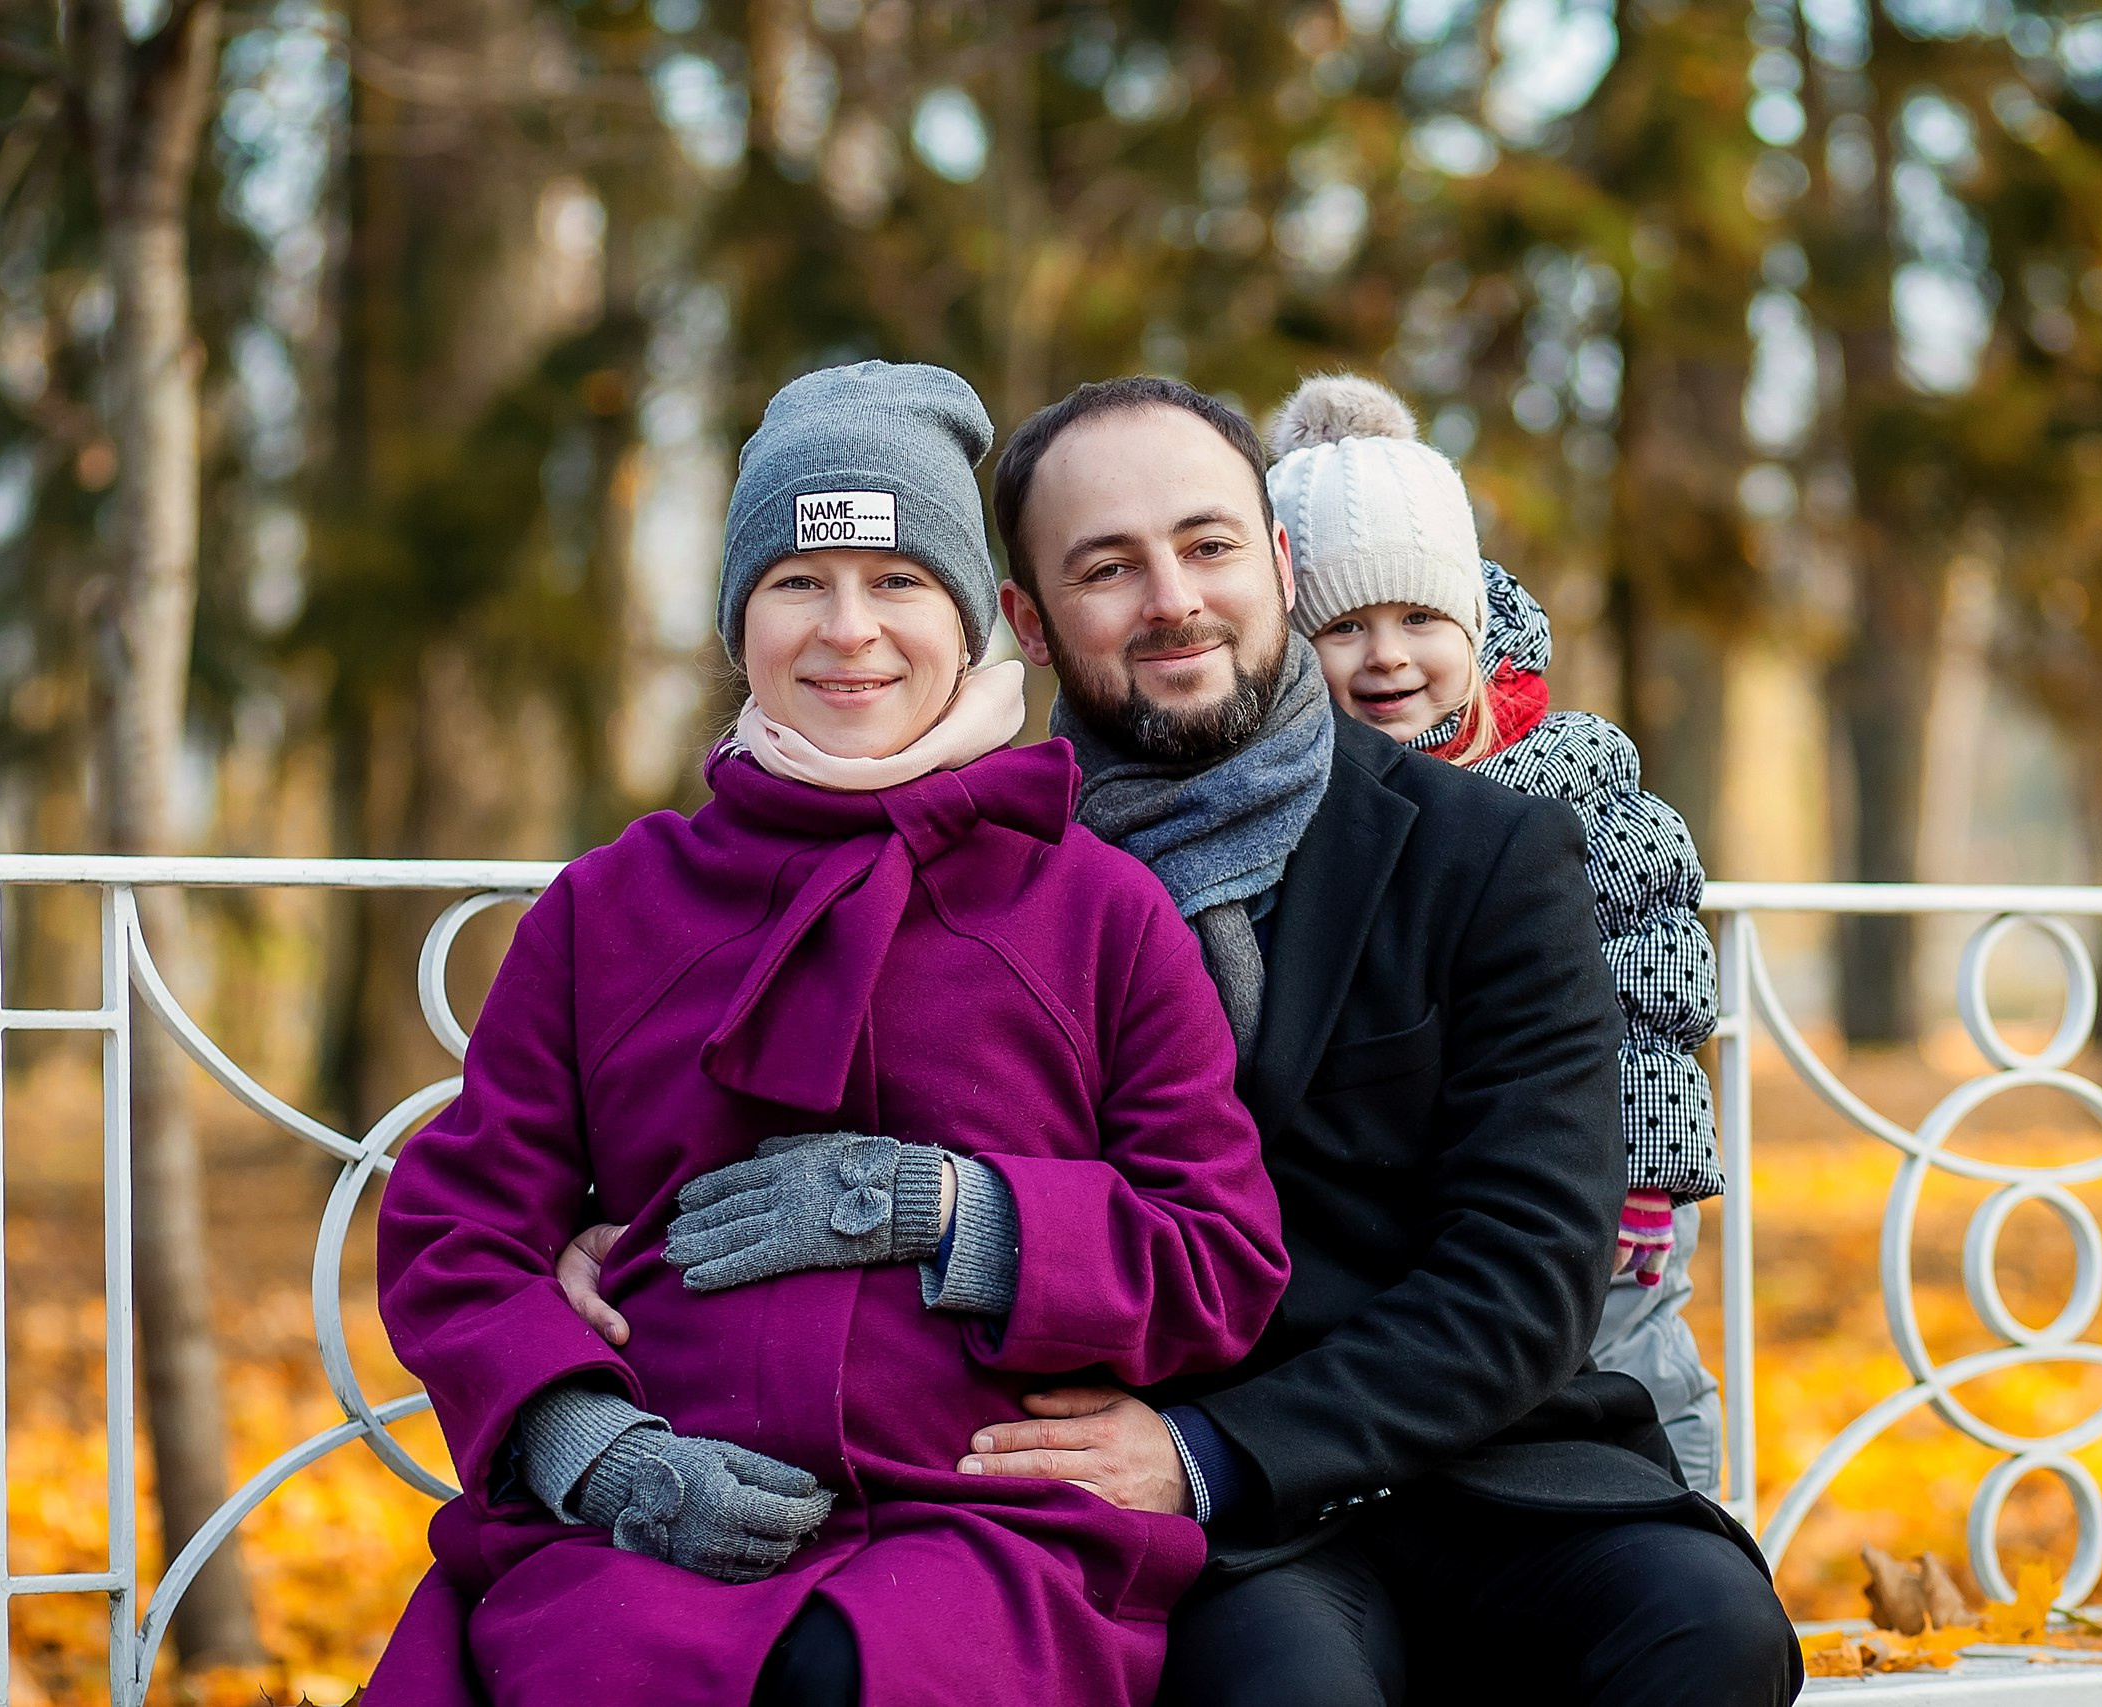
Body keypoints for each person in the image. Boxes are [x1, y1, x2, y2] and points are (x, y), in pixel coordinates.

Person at [561, 373, 1798, 1706]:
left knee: (1706, 1632)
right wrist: (603, 1235)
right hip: (1193, 1525)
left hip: (1487, 1460)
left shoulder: (1487, 853)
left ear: (1278, 561)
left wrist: (1213, 1450)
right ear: (1029, 622)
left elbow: (1529, 1265)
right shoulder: (981, 881)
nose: (1172, 600)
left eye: (1208, 546)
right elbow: (806, 1126)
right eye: (1108, 568)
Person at [365, 360, 1289, 1707]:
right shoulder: (609, 908)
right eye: (799, 581)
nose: (849, 631)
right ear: (738, 623)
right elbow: (461, 1231)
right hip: (654, 1521)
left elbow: (1218, 1255)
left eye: (898, 580)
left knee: (866, 1674)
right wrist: (596, 1453)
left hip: (992, 1527)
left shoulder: (1098, 910)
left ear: (972, 618)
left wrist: (957, 1210)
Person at [1267, 373, 1726, 1493]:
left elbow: (1655, 979)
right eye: (1343, 626)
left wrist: (1642, 1170)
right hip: (1422, 1189)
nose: (1387, 655)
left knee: (1637, 1371)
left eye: (1420, 619)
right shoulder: (1300, 797)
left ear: (1473, 621)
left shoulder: (1564, 773)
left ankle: (1690, 1523)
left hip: (1601, 1174)